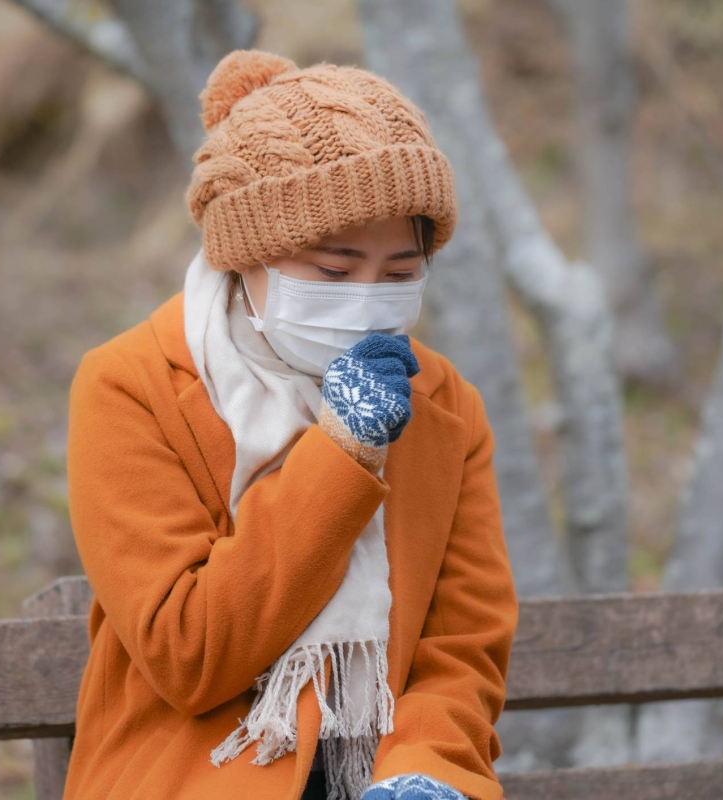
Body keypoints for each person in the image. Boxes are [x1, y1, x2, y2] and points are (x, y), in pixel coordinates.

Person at [63, 49, 519, 800]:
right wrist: (343, 450)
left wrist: (428, 772)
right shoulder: (129, 387)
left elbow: (462, 646)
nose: (368, 298)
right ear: (248, 256)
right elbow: (190, 651)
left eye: (401, 272)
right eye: (334, 272)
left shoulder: (445, 406)